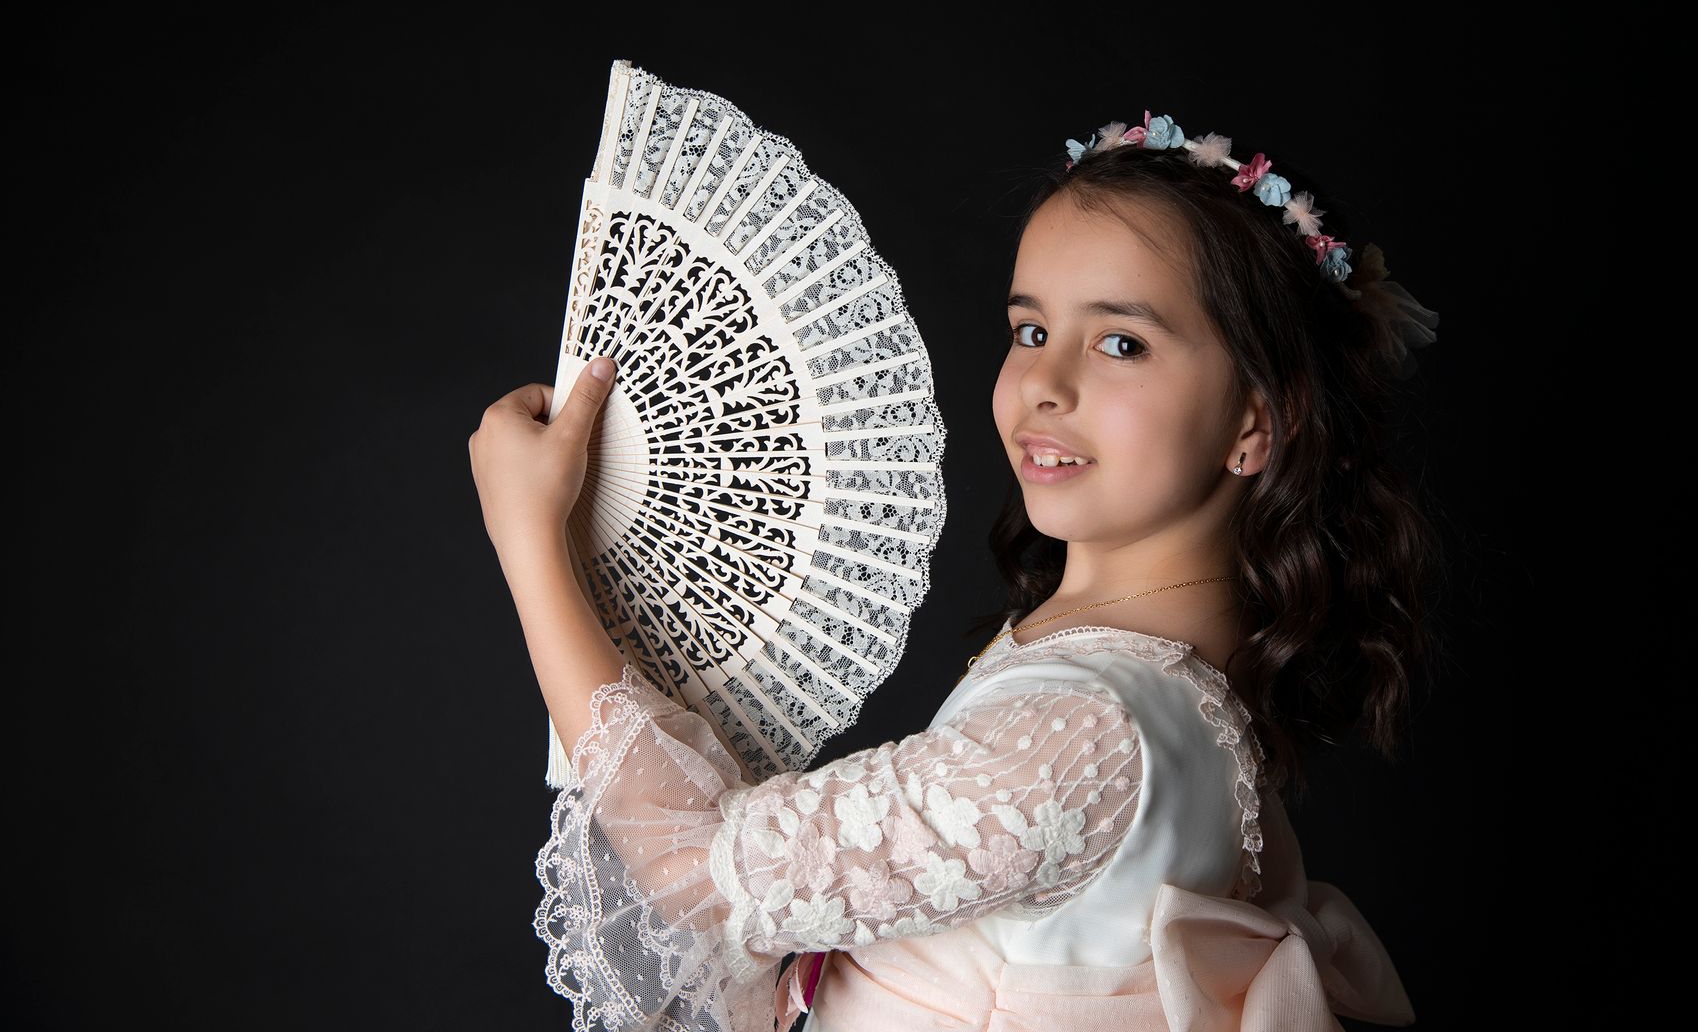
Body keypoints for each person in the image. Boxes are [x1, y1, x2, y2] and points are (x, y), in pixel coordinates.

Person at [469, 110, 1446, 1030]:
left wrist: (531, 541)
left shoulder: (1091, 731)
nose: (1045, 384)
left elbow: (699, 875)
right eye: (1029, 329)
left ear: (1255, 421)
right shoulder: (1153, 692)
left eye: (1121, 341)